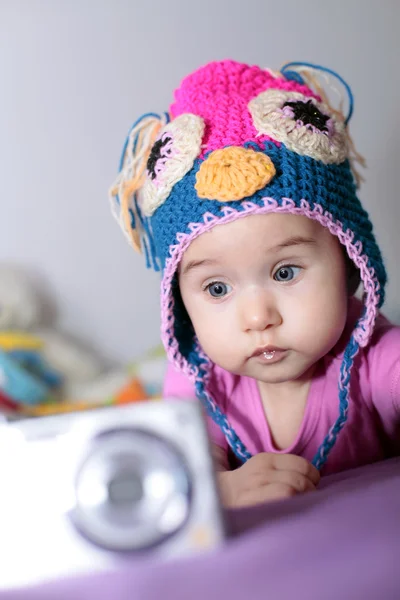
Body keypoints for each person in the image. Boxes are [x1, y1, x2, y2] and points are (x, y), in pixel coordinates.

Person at [109, 59, 400, 508]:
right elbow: (176, 471)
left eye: (285, 272)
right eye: (218, 289)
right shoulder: (200, 377)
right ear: (179, 300)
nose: (258, 316)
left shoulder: (373, 357)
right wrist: (218, 489)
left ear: (348, 260)